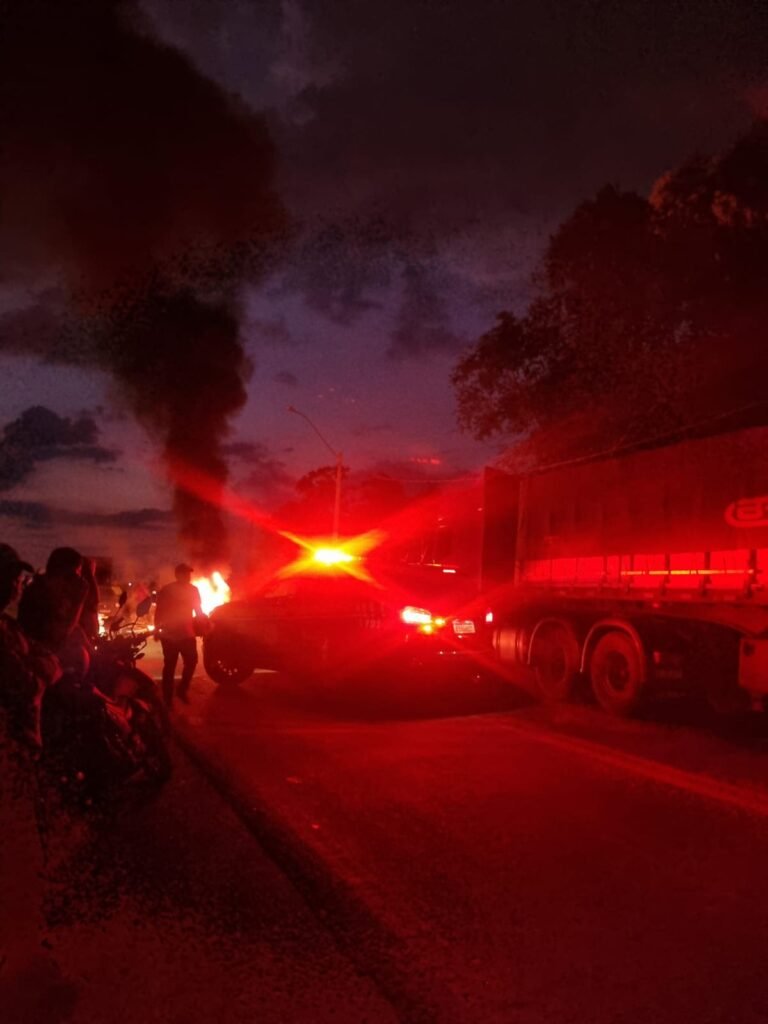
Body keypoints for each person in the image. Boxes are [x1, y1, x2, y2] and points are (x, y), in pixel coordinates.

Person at [154, 563, 206, 707]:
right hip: (171, 635)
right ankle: (168, 697)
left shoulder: (193, 590)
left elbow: (198, 609)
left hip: (186, 633)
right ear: (178, 575)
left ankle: (181, 690)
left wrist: (204, 624)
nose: (189, 576)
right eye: (186, 573)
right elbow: (159, 611)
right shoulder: (167, 590)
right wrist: (157, 629)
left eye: (189, 574)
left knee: (191, 662)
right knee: (170, 666)